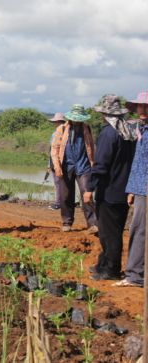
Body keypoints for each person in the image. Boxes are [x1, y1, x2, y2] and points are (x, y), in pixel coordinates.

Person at [83, 95, 136, 281]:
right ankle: (103, 264)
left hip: (109, 191)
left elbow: (101, 164)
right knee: (114, 230)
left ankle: (111, 270)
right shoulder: (127, 131)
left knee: (109, 233)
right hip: (123, 190)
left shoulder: (108, 133)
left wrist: (89, 188)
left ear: (104, 114)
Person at [118, 91, 148, 287]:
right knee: (138, 229)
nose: (142, 109)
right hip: (139, 188)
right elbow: (138, 162)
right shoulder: (141, 130)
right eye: (140, 106)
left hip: (145, 189)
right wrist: (132, 189)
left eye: (146, 106)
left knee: (139, 230)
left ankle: (135, 275)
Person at [51, 104, 97, 232]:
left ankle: (92, 224)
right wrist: (57, 167)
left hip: (83, 165)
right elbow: (54, 149)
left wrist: (94, 164)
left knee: (86, 192)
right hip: (67, 165)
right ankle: (67, 222)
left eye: (79, 119)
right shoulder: (62, 128)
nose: (77, 121)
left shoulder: (86, 128)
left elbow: (91, 146)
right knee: (66, 195)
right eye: (75, 118)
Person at [47, 113, 66, 210]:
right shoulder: (67, 132)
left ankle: (58, 203)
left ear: (58, 122)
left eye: (55, 122)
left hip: (56, 161)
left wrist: (49, 164)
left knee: (58, 183)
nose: (54, 123)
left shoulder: (55, 134)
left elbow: (52, 150)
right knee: (64, 183)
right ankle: (64, 201)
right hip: (65, 161)